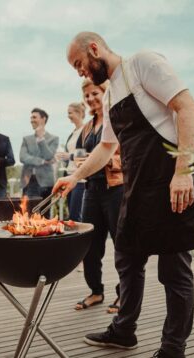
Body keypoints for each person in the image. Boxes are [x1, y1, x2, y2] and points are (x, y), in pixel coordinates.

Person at [53, 32, 194, 358]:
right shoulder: (109, 98)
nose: (79, 72)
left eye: (79, 64)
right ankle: (124, 331)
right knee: (127, 258)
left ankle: (172, 349)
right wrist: (74, 177)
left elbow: (188, 107)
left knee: (174, 271)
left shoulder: (142, 64)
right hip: (138, 188)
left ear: (94, 48)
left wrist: (183, 172)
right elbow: (107, 148)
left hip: (170, 183)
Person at [72, 79, 123, 315]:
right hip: (91, 190)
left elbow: (130, 156)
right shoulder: (86, 128)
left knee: (122, 245)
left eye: (95, 93)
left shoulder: (118, 119)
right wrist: (80, 163)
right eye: (87, 96)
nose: (91, 99)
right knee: (90, 246)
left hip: (116, 189)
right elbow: (82, 157)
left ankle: (124, 295)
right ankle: (96, 291)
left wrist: (106, 161)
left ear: (105, 92)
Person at [54, 102, 86, 222]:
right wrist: (63, 157)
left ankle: (80, 240)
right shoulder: (73, 133)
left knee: (75, 215)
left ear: (79, 113)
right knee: (71, 214)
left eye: (70, 113)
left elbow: (87, 153)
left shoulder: (86, 130)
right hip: (69, 175)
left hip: (80, 178)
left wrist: (70, 156)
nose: (68, 115)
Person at [20, 108, 59, 199]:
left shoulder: (54, 139)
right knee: (27, 212)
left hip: (46, 182)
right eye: (31, 118)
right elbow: (23, 157)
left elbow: (49, 156)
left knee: (45, 212)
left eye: (34, 117)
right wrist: (41, 161)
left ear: (43, 119)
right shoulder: (26, 139)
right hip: (28, 181)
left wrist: (41, 139)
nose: (31, 120)